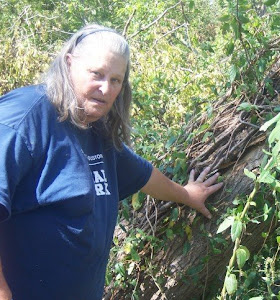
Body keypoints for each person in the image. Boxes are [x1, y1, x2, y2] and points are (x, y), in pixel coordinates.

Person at [0, 24, 223, 300]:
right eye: (97, 74)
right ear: (69, 63)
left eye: (116, 80)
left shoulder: (92, 128)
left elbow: (143, 175)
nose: (105, 88)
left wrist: (187, 195)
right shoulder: (22, 120)